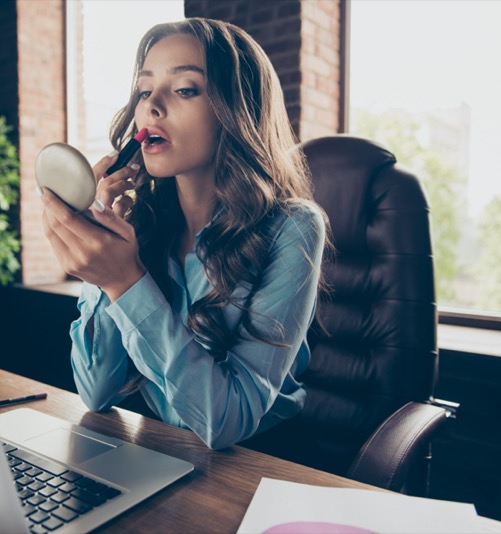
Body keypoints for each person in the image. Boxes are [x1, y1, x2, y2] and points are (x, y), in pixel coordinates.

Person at [40, 17, 326, 450]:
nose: (151, 105)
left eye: (185, 89)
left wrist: (126, 282)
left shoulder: (294, 226)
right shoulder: (142, 224)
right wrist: (104, 266)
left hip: (260, 467)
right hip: (161, 458)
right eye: (143, 90)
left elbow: (225, 423)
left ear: (237, 110)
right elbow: (96, 391)